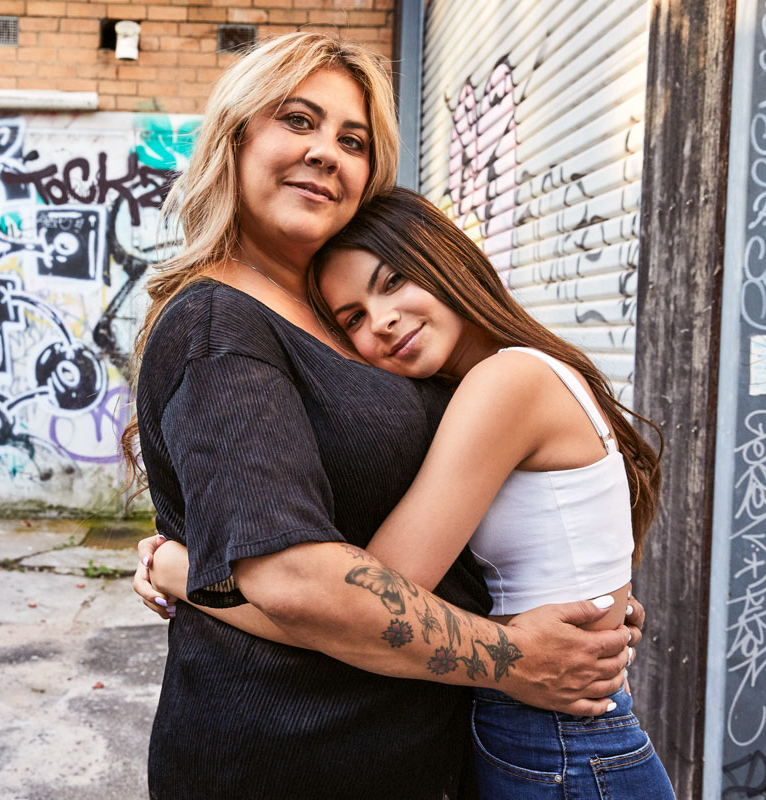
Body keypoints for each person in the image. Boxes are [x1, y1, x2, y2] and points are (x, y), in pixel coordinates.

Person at [122, 32, 639, 800]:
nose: (327, 151)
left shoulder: (338, 321)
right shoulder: (219, 325)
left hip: (425, 749)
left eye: (352, 139)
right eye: (298, 121)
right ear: (235, 138)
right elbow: (297, 579)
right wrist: (513, 654)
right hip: (291, 762)